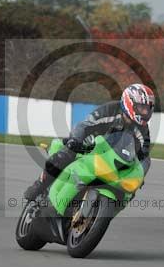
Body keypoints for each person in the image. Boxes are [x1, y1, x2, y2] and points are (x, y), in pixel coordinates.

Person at [24, 83, 155, 201]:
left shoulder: (143, 130)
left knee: (129, 192)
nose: (145, 112)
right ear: (129, 103)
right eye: (142, 108)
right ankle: (39, 186)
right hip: (88, 145)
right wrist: (75, 141)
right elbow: (84, 125)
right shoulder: (110, 110)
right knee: (65, 154)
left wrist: (139, 176)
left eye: (148, 109)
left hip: (111, 158)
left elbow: (144, 156)